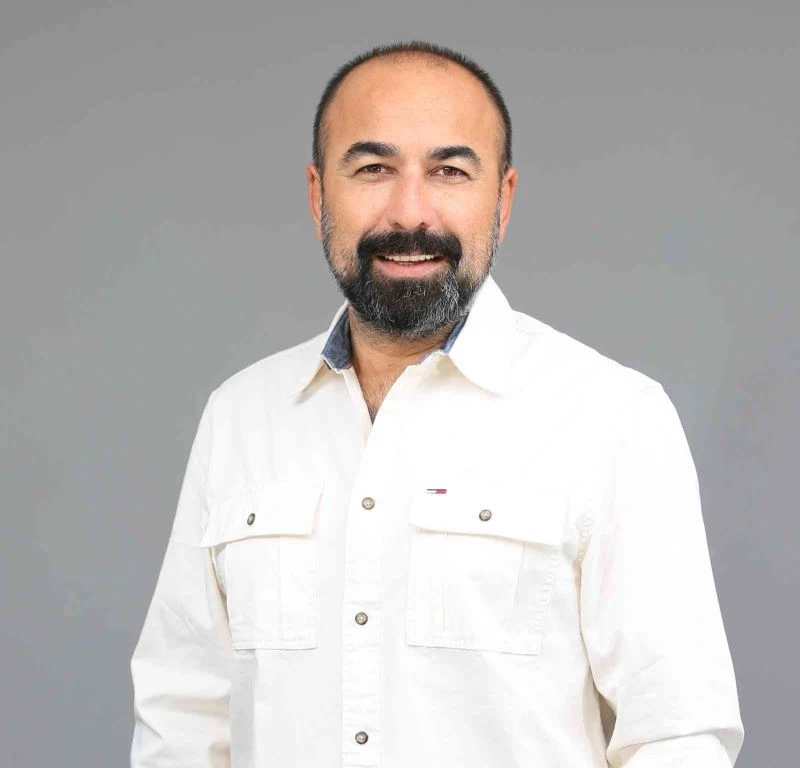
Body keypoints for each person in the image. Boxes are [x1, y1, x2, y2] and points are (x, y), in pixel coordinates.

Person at [130, 41, 744, 767]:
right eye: (373, 168)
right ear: (318, 194)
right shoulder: (240, 416)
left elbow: (677, 734)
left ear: (503, 200)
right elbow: (182, 717)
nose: (409, 212)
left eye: (450, 171)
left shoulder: (613, 417)